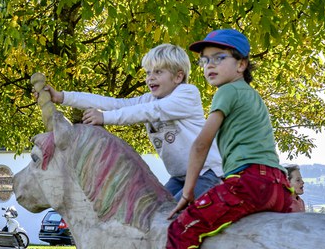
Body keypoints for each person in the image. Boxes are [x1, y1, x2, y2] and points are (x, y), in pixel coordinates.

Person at [117, 28, 299, 249]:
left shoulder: (227, 92)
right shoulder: (250, 95)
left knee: (181, 230)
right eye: (203, 61)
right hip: (278, 185)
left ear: (241, 64)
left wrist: (188, 192)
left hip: (249, 182)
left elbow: (200, 145)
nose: (209, 66)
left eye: (219, 58)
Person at [39, 43, 225, 199]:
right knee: (155, 216)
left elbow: (150, 112)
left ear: (178, 76)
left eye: (158, 72)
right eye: (148, 73)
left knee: (172, 220)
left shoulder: (187, 94)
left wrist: (105, 117)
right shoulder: (149, 99)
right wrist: (62, 97)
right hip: (179, 177)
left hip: (207, 174)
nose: (150, 78)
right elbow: (115, 104)